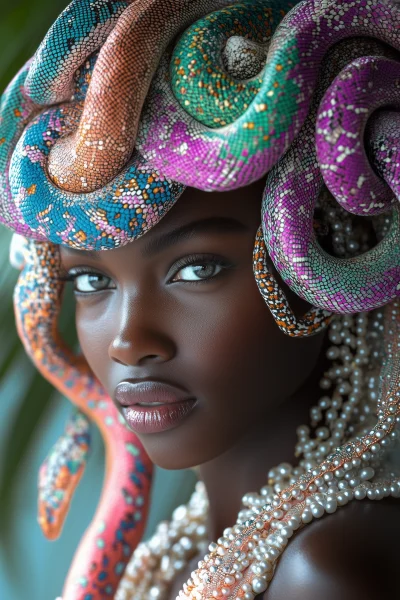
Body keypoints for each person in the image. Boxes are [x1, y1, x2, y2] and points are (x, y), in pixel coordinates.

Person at [1, 1, 400, 599]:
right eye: (89, 281)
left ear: (332, 243)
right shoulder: (190, 548)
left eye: (196, 268)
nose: (130, 342)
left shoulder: (328, 575)